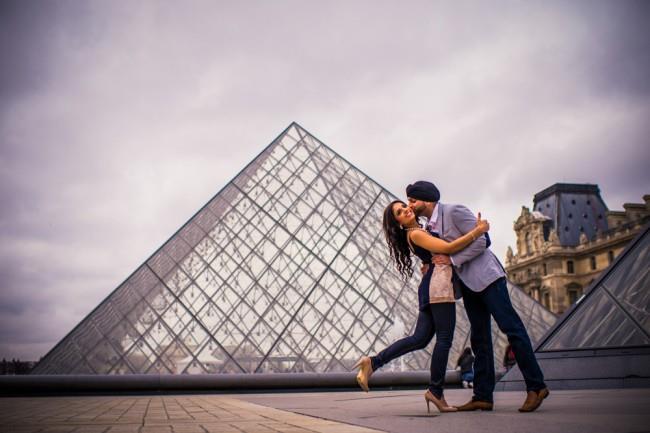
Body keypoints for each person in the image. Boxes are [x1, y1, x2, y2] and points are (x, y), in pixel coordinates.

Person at [405, 180, 549, 413]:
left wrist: (452, 260)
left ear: (427, 200)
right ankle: (482, 396)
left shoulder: (454, 211)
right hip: (467, 284)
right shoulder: (426, 227)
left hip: (488, 278)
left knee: (511, 328)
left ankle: (536, 386)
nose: (409, 205)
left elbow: (483, 240)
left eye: (413, 200)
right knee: (479, 339)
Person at [354, 199, 490, 413]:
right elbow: (448, 248)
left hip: (430, 286)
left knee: (419, 338)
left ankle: (373, 362)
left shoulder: (420, 229)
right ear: (398, 222)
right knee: (444, 339)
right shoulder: (416, 234)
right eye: (399, 212)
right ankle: (435, 392)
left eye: (404, 206)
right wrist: (478, 231)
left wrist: (427, 262)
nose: (406, 209)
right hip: (438, 286)